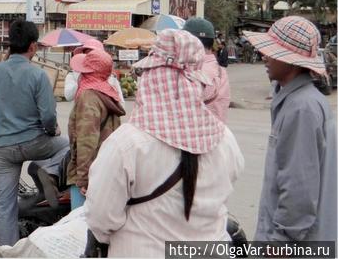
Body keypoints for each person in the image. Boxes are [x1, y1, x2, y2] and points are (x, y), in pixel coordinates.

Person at [85, 29, 244, 257]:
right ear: (197, 82)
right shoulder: (225, 138)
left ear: (151, 77)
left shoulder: (127, 144)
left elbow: (101, 218)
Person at [244, 17, 337, 242]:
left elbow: (299, 189)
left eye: (272, 51)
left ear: (292, 62)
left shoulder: (301, 108)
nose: (264, 56)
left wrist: (281, 240)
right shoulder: (298, 100)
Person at [0, 19, 66, 246]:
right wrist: (52, 130)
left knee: (5, 205)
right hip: (35, 143)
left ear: (10, 45)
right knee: (66, 144)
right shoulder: (38, 75)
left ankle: (6, 251)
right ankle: (47, 170)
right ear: (33, 47)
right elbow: (48, 116)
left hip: (3, 148)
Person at [66, 48, 125, 210]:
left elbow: (86, 141)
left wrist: (83, 179)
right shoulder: (107, 94)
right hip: (105, 167)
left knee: (79, 225)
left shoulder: (89, 97)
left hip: (91, 172)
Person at [183, 17, 231, 123]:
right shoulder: (220, 71)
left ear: (190, 42)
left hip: (196, 134)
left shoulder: (196, 71)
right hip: (218, 132)